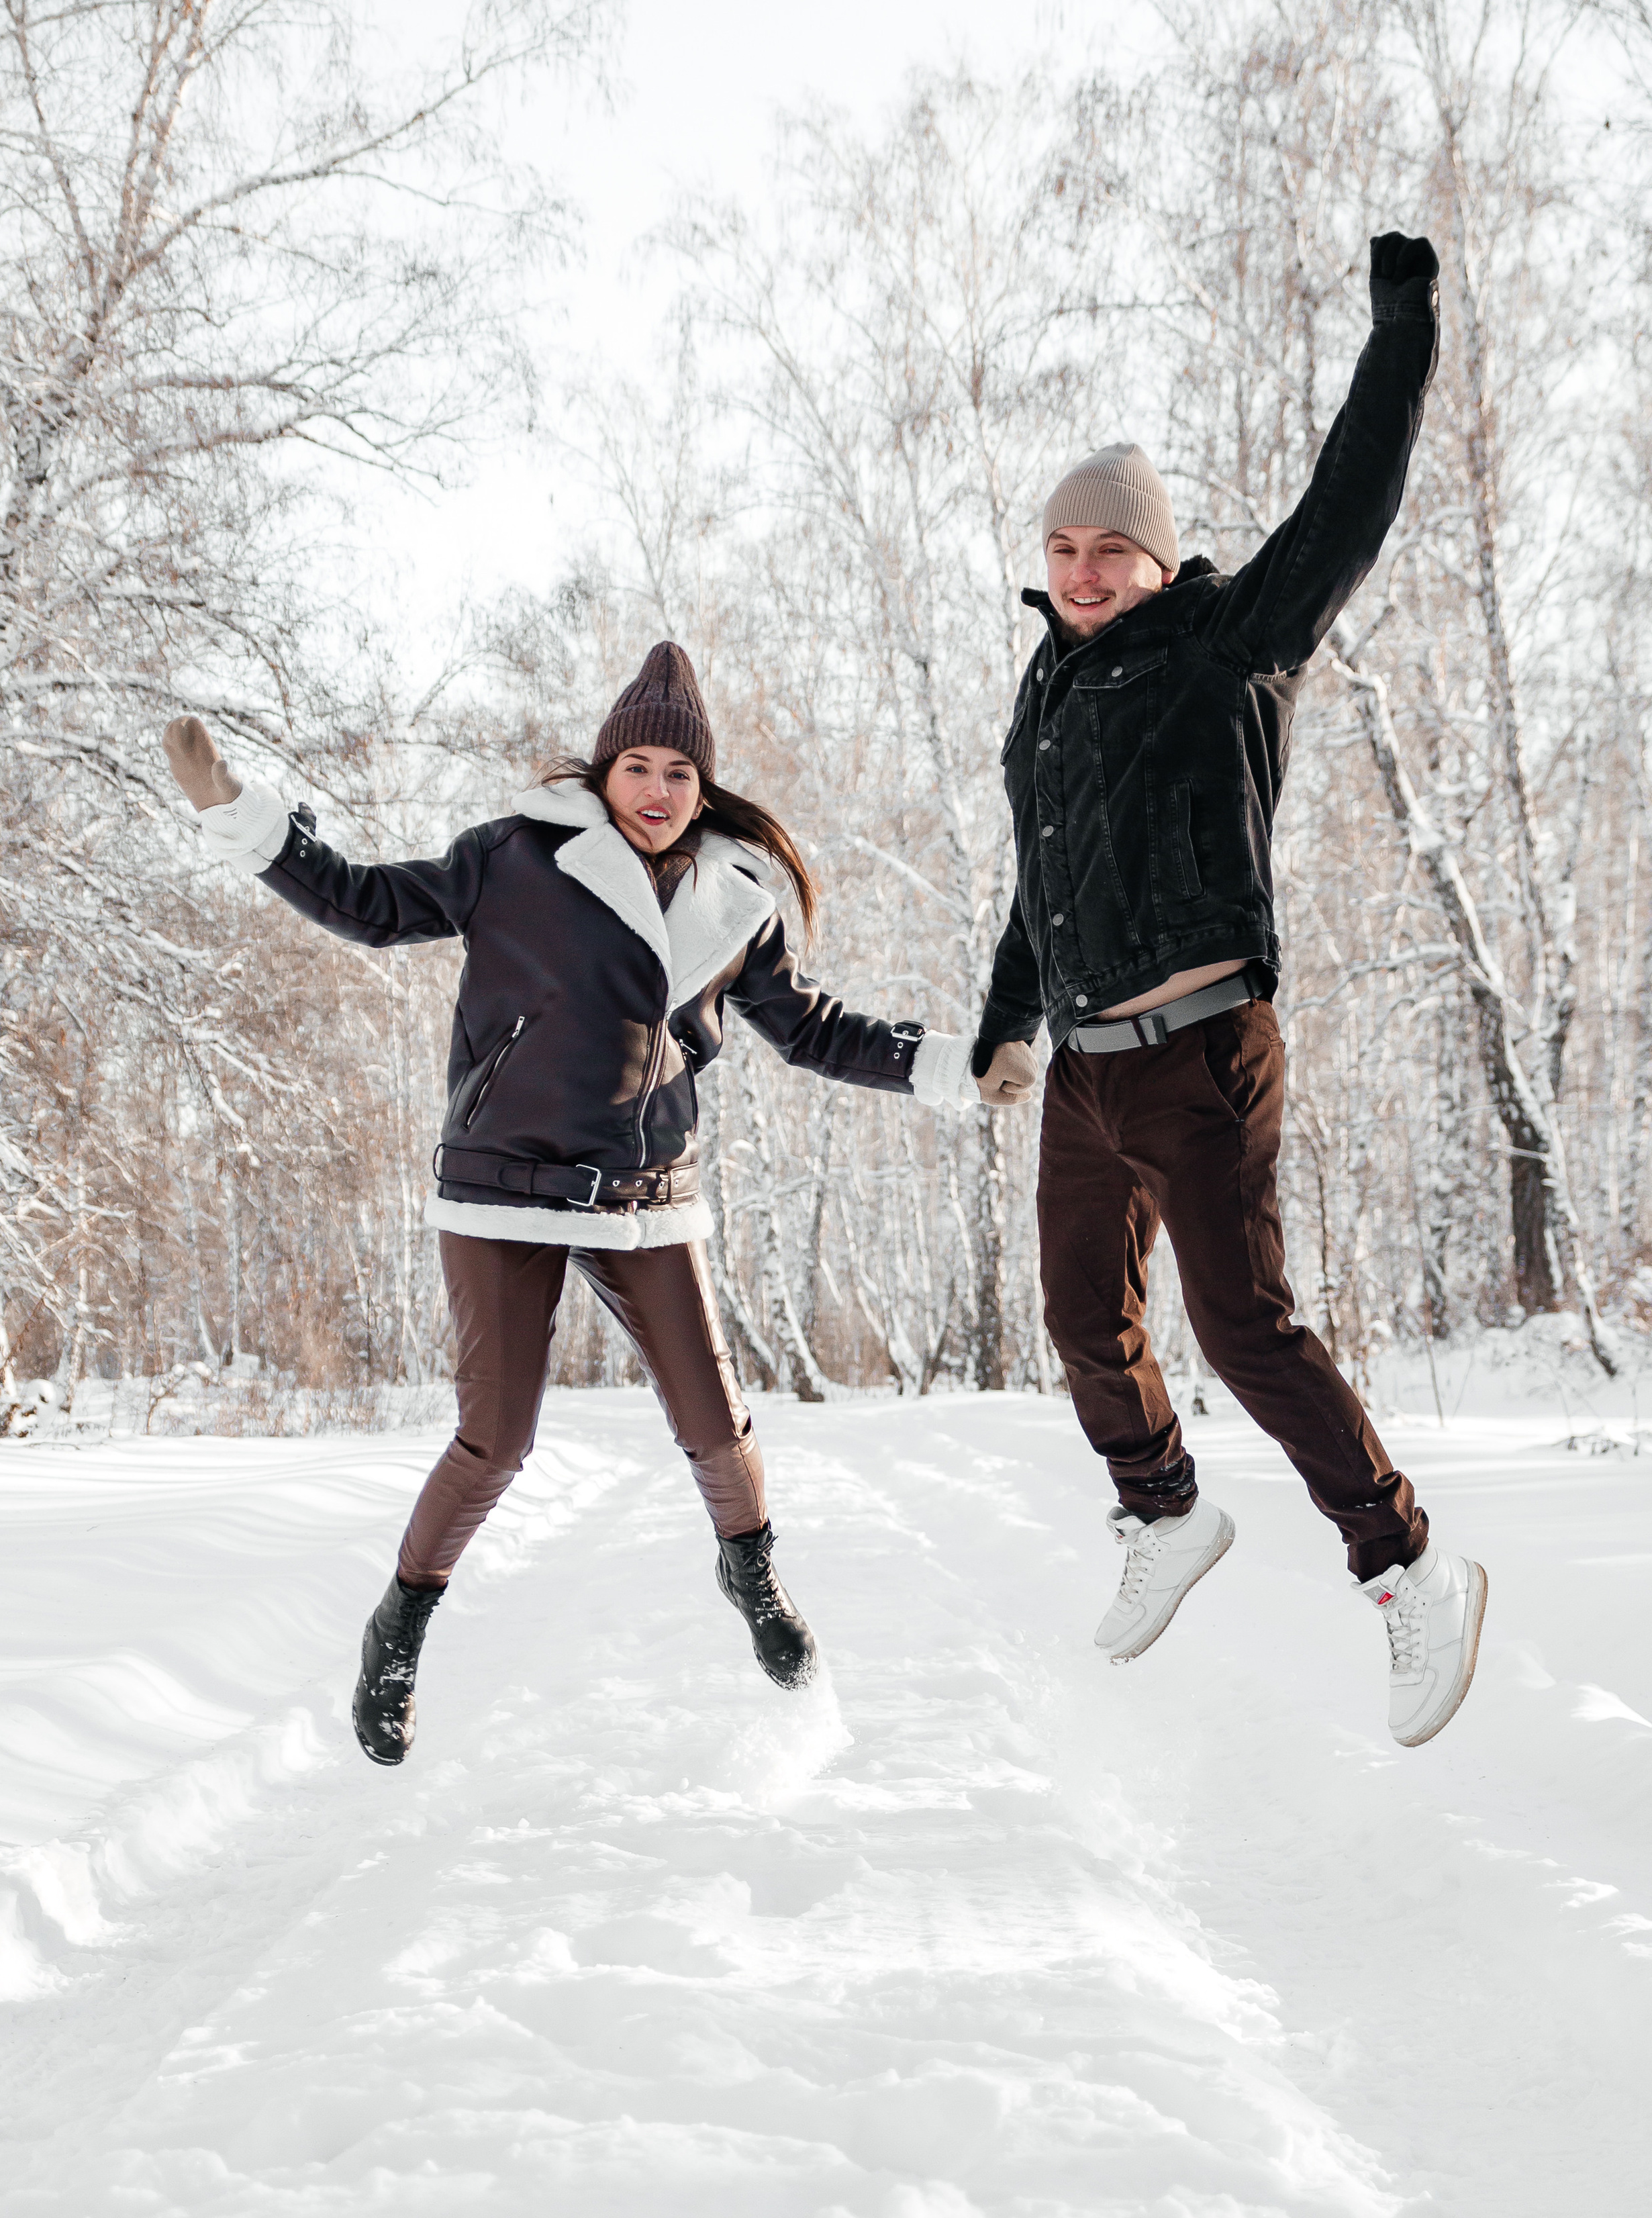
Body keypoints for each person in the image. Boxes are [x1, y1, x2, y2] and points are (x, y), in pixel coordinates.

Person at [164, 645, 992, 1766]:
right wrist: (247, 819)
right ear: (604, 774)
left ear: (704, 791)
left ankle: (749, 1572)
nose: (657, 792)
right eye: (638, 767)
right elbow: (367, 907)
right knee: (496, 1441)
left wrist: (953, 1062)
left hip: (648, 1194)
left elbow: (810, 1029)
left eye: (680, 776)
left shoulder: (734, 900)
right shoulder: (512, 859)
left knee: (715, 1423)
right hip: (504, 1185)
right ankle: (399, 1628)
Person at [971, 232, 1487, 1749]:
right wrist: (1009, 1018)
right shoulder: (1048, 683)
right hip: (1083, 1066)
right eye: (1062, 550)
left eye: (1106, 550)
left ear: (1154, 555)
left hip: (1201, 1053)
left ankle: (1407, 1569)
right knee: (1079, 1316)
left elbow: (1347, 504)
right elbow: (1038, 872)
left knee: (1244, 1328)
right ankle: (1164, 1514)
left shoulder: (1225, 641)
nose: (1079, 573)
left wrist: (1400, 328)